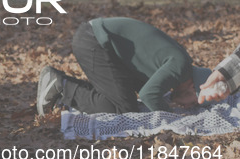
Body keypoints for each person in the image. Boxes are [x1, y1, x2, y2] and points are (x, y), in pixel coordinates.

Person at [36, 17, 212, 116]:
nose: (190, 106)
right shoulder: (180, 66)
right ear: (192, 86)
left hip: (102, 43)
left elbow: (145, 86)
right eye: (196, 101)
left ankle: (68, 92)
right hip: (95, 40)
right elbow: (148, 95)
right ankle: (61, 86)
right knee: (123, 110)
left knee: (125, 100)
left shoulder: (181, 65)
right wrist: (172, 118)